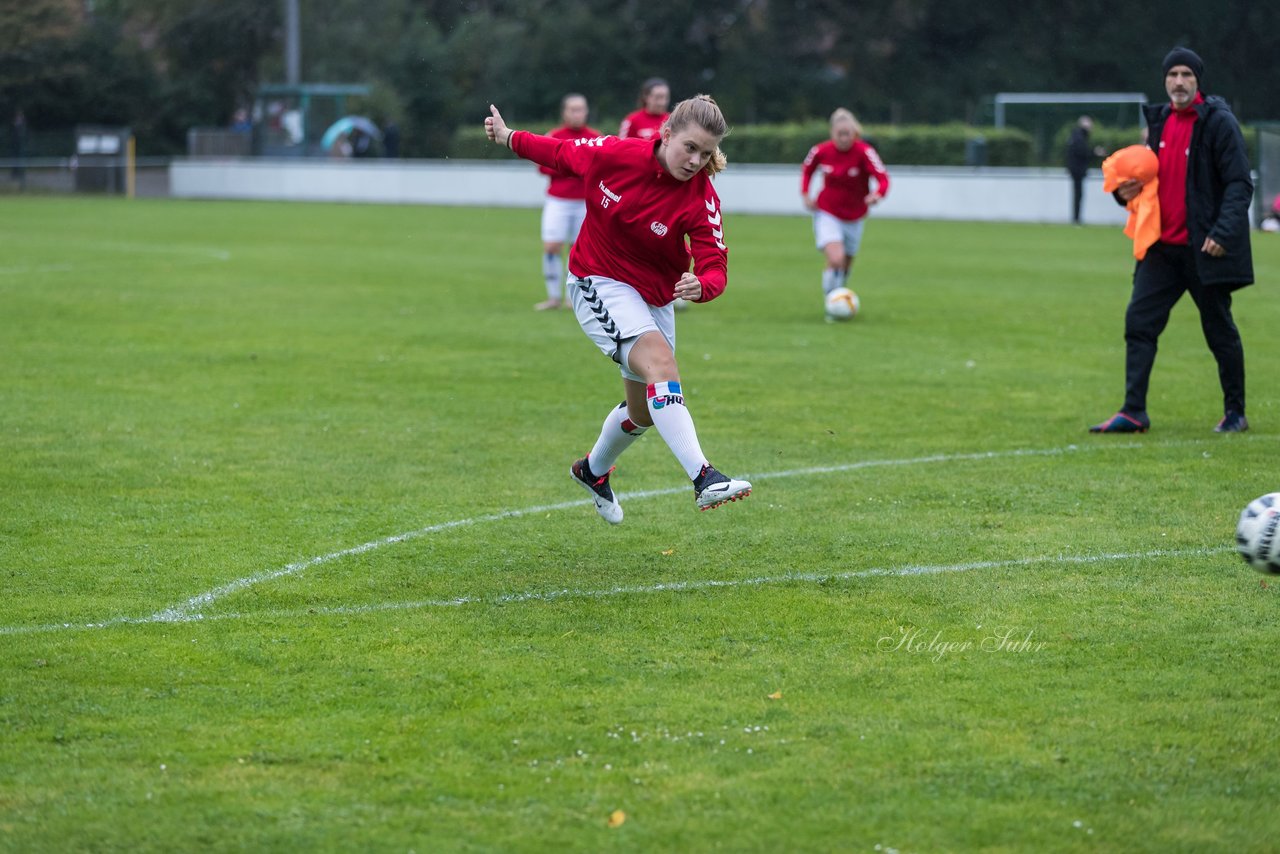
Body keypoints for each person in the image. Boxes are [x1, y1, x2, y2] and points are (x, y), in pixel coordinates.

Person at [485, 94, 752, 522]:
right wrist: (509, 136)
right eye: (689, 148)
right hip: (597, 279)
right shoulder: (615, 154)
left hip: (653, 298)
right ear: (666, 134)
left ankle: (591, 471)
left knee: (644, 411)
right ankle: (705, 478)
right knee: (662, 365)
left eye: (705, 153)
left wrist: (702, 286)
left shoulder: (702, 198)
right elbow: (558, 152)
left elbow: (716, 264)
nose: (696, 160)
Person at [1089, 47, 1254, 434]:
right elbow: (1146, 178)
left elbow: (1239, 183)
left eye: (1186, 75)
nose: (1178, 81)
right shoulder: (1159, 120)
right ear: (1164, 80)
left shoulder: (1218, 123)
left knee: (1219, 330)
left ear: (1198, 80)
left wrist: (1221, 232)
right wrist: (1122, 193)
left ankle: (1235, 413)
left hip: (1204, 249)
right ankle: (1133, 412)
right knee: (1139, 322)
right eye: (1172, 75)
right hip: (1162, 248)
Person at [801, 108, 890, 305]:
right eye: (839, 134)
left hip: (855, 216)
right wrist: (806, 194)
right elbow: (807, 170)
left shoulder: (865, 152)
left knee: (846, 262)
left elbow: (883, 178)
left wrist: (877, 195)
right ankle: (832, 299)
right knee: (836, 258)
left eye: (847, 133)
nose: (843, 138)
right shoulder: (820, 150)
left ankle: (838, 291)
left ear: (854, 132)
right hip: (827, 212)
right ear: (832, 133)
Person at [534, 93, 601, 310]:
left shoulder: (595, 137)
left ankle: (573, 298)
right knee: (552, 246)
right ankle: (553, 297)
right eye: (573, 109)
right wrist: (575, 165)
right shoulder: (554, 135)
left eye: (581, 109)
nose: (577, 113)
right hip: (558, 201)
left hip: (585, 202)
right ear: (564, 112)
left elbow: (601, 167)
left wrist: (566, 164)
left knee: (579, 251)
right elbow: (542, 164)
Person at [1065, 115, 1105, 224]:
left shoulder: (1076, 135)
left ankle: (1076, 218)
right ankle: (1076, 219)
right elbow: (1082, 153)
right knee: (1078, 194)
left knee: (1078, 194)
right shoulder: (1079, 137)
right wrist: (1095, 152)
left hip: (1075, 169)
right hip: (1077, 170)